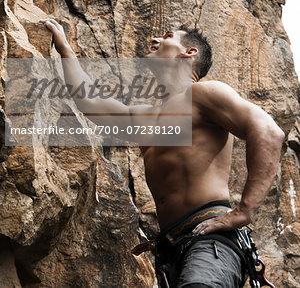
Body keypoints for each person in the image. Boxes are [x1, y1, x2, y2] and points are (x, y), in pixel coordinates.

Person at [39, 18, 285, 287]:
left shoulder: (204, 94)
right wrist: (64, 48)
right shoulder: (144, 115)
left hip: (210, 240)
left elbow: (268, 131)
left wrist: (244, 211)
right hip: (173, 249)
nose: (154, 40)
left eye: (167, 36)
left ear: (189, 53)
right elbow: (89, 101)